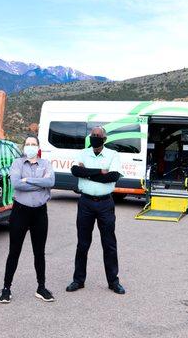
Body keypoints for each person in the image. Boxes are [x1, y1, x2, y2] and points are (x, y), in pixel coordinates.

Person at [66, 126, 126, 295]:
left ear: (104, 139)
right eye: (93, 135)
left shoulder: (113, 155)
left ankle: (113, 282)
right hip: (85, 203)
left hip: (105, 204)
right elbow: (75, 171)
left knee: (109, 244)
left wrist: (87, 173)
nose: (95, 137)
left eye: (98, 136)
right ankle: (78, 280)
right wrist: (99, 172)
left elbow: (113, 177)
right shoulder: (83, 153)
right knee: (82, 244)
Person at [0, 136, 55, 304]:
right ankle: (6, 288)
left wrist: (28, 179)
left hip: (40, 213)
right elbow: (17, 184)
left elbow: (51, 181)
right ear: (24, 147)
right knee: (14, 251)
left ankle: (41, 287)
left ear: (38, 147)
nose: (30, 147)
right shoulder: (17, 163)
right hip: (20, 212)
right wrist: (40, 183)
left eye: (34, 144)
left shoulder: (46, 164)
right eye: (28, 144)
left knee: (39, 252)